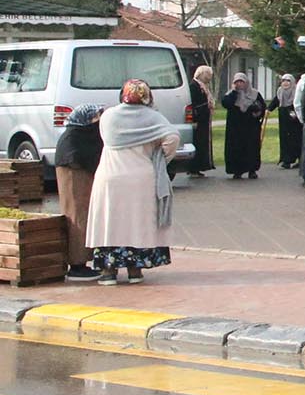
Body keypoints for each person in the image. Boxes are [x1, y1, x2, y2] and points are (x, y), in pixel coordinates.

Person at [86, 81, 180, 285]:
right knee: (137, 222)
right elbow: (173, 137)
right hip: (141, 177)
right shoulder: (153, 117)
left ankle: (108, 270)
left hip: (110, 175)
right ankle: (135, 270)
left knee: (109, 221)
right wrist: (160, 156)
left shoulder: (109, 116)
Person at [54, 103, 104, 281]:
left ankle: (81, 261)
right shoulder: (76, 137)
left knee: (82, 217)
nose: (98, 121)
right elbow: (79, 156)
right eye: (95, 117)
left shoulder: (77, 134)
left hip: (77, 174)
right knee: (77, 218)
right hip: (74, 175)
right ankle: (77, 264)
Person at [221, 73, 267, 179]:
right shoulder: (231, 94)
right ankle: (237, 170)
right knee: (236, 148)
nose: (239, 84)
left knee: (251, 148)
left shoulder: (254, 94)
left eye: (241, 82)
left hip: (251, 126)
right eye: (237, 82)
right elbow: (226, 104)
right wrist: (234, 92)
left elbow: (262, 107)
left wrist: (256, 111)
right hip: (235, 127)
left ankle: (252, 170)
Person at [189, 64, 215, 177]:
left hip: (204, 119)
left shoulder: (204, 86)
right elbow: (193, 103)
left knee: (203, 142)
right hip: (198, 119)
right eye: (207, 74)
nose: (209, 77)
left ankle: (201, 165)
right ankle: (194, 167)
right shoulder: (194, 86)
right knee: (197, 141)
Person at [275, 74, 302, 169]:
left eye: (288, 81)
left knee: (296, 138)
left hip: (294, 118)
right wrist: (268, 109)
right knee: (285, 139)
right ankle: (286, 160)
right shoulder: (280, 91)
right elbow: (276, 101)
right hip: (283, 118)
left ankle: (299, 159)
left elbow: (298, 103)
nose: (285, 83)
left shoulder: (295, 91)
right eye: (283, 81)